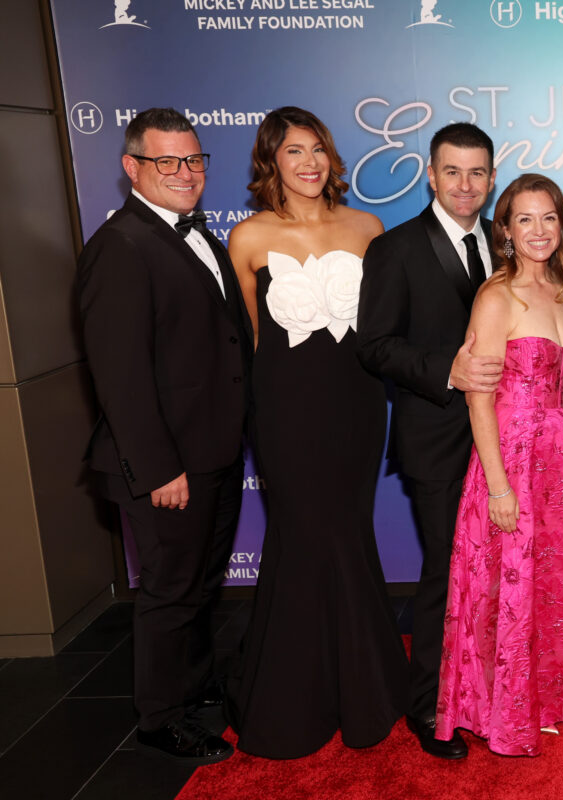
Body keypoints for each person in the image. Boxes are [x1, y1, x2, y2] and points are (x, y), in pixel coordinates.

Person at [222, 107, 408, 759]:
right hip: (284, 410)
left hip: (357, 404)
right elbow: (247, 341)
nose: (309, 162)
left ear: (331, 158)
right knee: (302, 535)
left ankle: (365, 688)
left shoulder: (367, 227)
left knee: (349, 533)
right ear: (270, 161)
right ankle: (295, 697)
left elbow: (383, 331)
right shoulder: (247, 238)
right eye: (293, 150)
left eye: (318, 149)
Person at [435, 174, 563, 756]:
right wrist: (497, 487)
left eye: (548, 217)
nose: (539, 230)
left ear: (562, 225)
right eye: (525, 219)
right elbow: (478, 398)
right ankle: (508, 707)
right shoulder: (496, 296)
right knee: (510, 584)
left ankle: (549, 696)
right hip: (512, 461)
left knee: (559, 585)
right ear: (505, 231)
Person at [77, 108, 251, 763]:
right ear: (133, 168)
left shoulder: (190, 234)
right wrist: (157, 469)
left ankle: (194, 685)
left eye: (194, 160)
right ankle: (159, 717)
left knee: (201, 584)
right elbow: (119, 375)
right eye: (167, 162)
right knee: (170, 591)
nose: (186, 173)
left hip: (212, 450)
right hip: (164, 465)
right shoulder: (121, 246)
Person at [357, 123, 502, 760]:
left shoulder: (508, 243)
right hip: (438, 437)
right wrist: (448, 370)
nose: (465, 185)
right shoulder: (397, 249)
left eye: (477, 173)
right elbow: (375, 345)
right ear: (431, 175)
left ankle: (491, 695)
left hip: (506, 442)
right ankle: (429, 707)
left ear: (492, 178)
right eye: (453, 172)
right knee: (446, 574)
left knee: (500, 573)